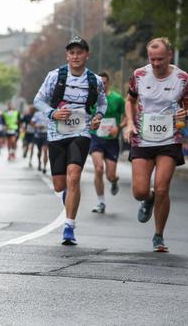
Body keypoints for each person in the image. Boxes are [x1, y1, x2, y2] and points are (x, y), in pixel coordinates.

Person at [124, 37, 188, 252]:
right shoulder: (139, 75)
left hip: (169, 139)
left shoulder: (182, 78)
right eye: (152, 59)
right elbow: (130, 100)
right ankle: (149, 198)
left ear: (169, 56)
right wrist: (129, 123)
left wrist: (187, 113)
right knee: (139, 191)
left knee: (163, 187)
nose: (156, 64)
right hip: (143, 138)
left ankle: (158, 236)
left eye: (160, 59)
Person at [34, 36, 106, 246]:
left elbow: (102, 104)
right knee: (60, 185)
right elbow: (38, 100)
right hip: (56, 134)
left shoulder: (95, 80)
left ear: (86, 55)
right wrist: (52, 113)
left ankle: (69, 226)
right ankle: (68, 193)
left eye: (80, 52)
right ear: (67, 55)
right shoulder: (55, 76)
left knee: (74, 177)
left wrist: (98, 117)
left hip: (81, 132)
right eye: (72, 53)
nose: (75, 56)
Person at [89, 72, 126, 214]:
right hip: (96, 138)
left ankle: (114, 181)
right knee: (98, 169)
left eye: (104, 82)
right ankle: (101, 202)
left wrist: (119, 127)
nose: (102, 85)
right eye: (99, 83)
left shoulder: (117, 99)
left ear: (108, 83)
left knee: (110, 176)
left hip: (112, 140)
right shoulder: (92, 99)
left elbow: (127, 117)